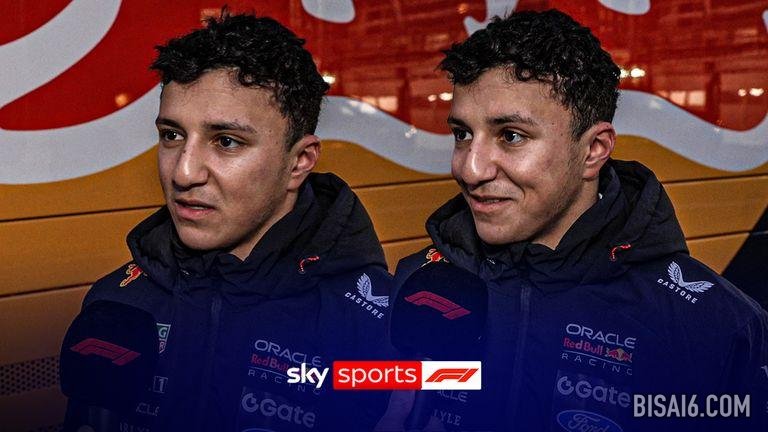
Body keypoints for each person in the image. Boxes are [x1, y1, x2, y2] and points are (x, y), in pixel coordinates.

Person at [387, 9, 768, 432]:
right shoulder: (419, 282)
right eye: (462, 134)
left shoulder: (714, 325)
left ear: (593, 150)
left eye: (511, 136)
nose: (470, 169)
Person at [63, 11, 391, 432]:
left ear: (299, 162)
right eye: (172, 135)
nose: (183, 173)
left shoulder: (379, 323)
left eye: (226, 141)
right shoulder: (117, 301)